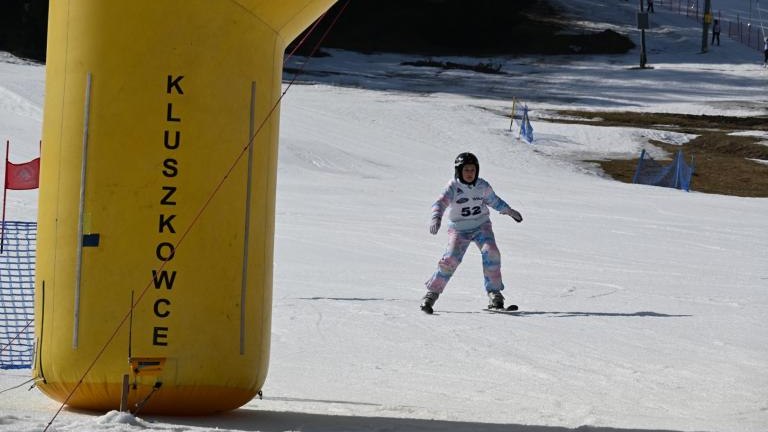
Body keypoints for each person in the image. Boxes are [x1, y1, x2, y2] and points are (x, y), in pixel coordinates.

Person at [421, 152, 523, 314]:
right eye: (466, 170)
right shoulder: (453, 187)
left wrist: (509, 211)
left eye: (473, 170)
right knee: (451, 259)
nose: (470, 173)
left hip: (481, 226)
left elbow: (494, 201)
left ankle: (494, 293)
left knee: (492, 253)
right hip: (459, 229)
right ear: (459, 171)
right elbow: (439, 203)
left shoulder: (482, 186)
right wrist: (436, 218)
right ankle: (431, 294)